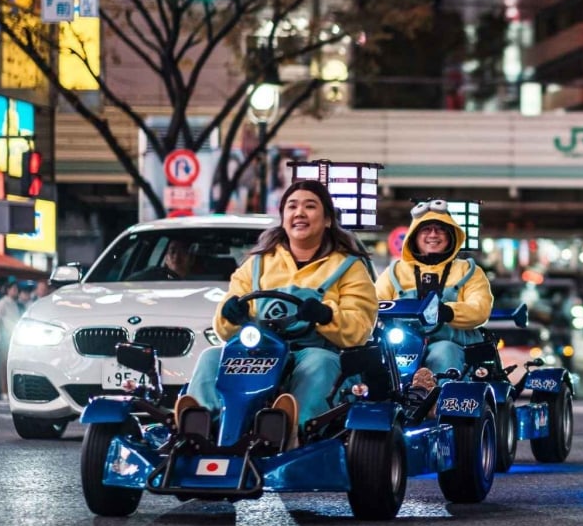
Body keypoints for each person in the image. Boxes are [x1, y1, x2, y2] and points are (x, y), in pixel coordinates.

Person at [176, 180, 378, 446]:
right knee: (212, 356)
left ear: (328, 219)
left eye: (310, 206)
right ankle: (201, 427)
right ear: (283, 218)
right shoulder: (257, 264)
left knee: (319, 362)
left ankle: (292, 428)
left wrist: (326, 316)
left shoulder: (349, 268)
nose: (300, 213)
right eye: (292, 206)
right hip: (260, 350)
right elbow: (224, 328)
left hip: (312, 351)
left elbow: (360, 329)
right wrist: (230, 313)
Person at [375, 200, 493, 384]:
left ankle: (440, 405)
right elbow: (372, 305)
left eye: (440, 229)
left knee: (444, 352)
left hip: (455, 347)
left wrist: (448, 312)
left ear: (451, 235)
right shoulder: (394, 272)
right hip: (401, 346)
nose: (433, 234)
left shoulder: (468, 271)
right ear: (414, 235)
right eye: (426, 229)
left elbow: (480, 309)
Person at [0, 279, 21, 400]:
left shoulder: (14, 303)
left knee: (11, 365)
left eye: (16, 289)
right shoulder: (2, 303)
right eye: (13, 289)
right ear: (8, 290)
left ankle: (9, 391)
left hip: (13, 338)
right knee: (3, 366)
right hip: (3, 339)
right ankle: (3, 391)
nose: (15, 291)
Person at [131, 240, 198, 282]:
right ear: (166, 258)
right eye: (172, 251)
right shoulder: (153, 277)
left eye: (183, 252)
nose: (177, 257)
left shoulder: (203, 282)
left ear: (192, 258)